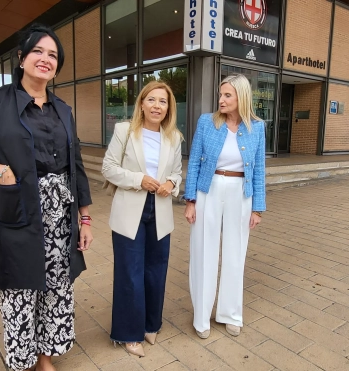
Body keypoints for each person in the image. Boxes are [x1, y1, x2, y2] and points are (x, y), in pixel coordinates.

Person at [0, 24, 93, 371]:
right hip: (16, 212)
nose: (45, 59)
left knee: (55, 288)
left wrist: (84, 218)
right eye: (38, 52)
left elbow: (77, 165)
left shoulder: (63, 109)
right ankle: (22, 359)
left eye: (53, 55)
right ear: (22, 57)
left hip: (59, 218)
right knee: (19, 292)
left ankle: (45, 356)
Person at [102, 81, 183, 357]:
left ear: (168, 107)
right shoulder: (125, 130)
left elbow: (177, 172)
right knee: (130, 273)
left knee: (156, 271)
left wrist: (172, 183)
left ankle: (151, 325)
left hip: (160, 210)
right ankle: (129, 333)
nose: (157, 106)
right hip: (130, 210)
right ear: (141, 103)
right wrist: (139, 180)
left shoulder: (173, 138)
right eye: (151, 100)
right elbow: (108, 168)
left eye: (162, 101)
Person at [184, 74, 266, 339]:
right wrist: (190, 200)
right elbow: (194, 160)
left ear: (241, 97)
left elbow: (260, 169)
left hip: (241, 194)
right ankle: (202, 318)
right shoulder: (207, 122)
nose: (221, 99)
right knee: (204, 251)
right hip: (208, 190)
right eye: (220, 94)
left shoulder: (257, 127)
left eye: (227, 95)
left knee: (235, 253)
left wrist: (257, 208)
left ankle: (231, 314)